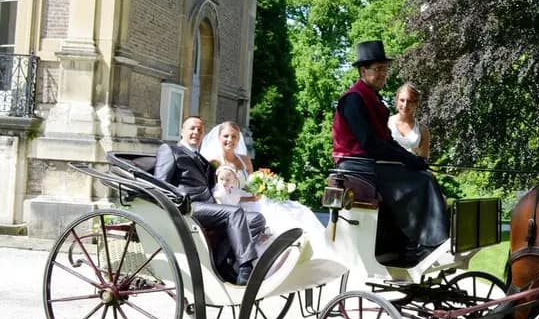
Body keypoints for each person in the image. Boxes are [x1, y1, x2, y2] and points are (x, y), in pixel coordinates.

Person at [332, 40, 449, 264]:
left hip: (370, 164)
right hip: (356, 166)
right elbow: (370, 143)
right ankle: (423, 245)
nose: (383, 74)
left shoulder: (373, 100)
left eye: (385, 69)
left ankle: (417, 243)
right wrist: (407, 159)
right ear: (363, 71)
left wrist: (413, 160)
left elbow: (386, 140)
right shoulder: (354, 99)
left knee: (423, 175)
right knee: (422, 181)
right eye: (378, 69)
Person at [155, 116, 266, 285]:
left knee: (256, 219)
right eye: (192, 128)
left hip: (210, 205)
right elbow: (160, 184)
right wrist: (176, 204)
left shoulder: (201, 158)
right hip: (189, 206)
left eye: (200, 130)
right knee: (235, 213)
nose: (196, 133)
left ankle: (221, 262)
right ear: (182, 131)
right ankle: (245, 267)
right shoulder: (170, 150)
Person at [200, 120, 327, 254]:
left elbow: (251, 182)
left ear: (238, 139)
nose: (230, 140)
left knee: (294, 211)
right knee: (269, 222)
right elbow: (214, 190)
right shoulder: (212, 161)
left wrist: (265, 187)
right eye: (226, 136)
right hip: (232, 204)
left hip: (252, 198)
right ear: (219, 137)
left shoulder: (245, 159)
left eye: (234, 136)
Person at [388, 82, 431, 159]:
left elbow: (423, 161)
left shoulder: (422, 130)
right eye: (402, 100)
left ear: (416, 104)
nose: (405, 105)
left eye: (410, 101)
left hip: (411, 170)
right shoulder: (385, 123)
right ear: (397, 101)